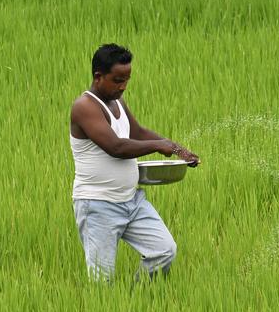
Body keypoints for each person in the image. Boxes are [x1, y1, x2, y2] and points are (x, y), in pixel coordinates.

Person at [69, 43, 199, 282]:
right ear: (98, 76)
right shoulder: (84, 107)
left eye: (127, 79)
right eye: (118, 80)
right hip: (98, 205)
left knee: (163, 251)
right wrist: (159, 146)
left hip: (132, 201)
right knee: (101, 282)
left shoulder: (117, 101)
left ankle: (134, 301)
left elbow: (136, 132)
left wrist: (179, 149)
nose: (123, 86)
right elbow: (116, 147)